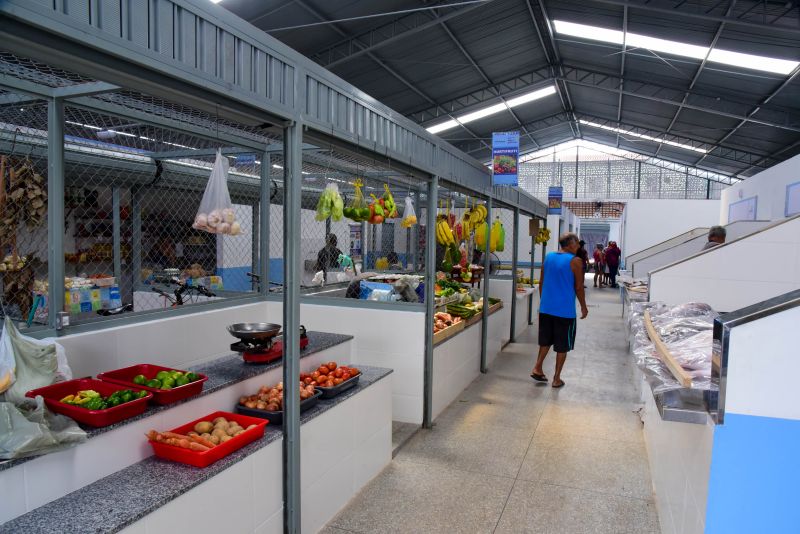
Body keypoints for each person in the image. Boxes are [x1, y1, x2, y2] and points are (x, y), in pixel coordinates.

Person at [531, 232, 588, 389]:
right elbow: (578, 287)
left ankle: (538, 367)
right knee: (563, 345)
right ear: (570, 244)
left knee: (546, 340)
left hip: (546, 308)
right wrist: (583, 306)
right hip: (564, 311)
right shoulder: (575, 261)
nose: (578, 247)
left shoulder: (549, 257)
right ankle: (556, 379)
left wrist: (545, 302)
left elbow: (541, 282)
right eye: (576, 244)